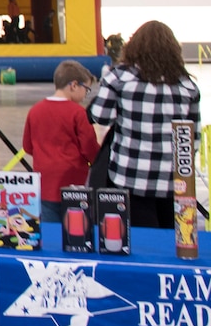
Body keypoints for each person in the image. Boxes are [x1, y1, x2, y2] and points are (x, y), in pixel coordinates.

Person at [85, 21, 201, 229]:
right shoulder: (187, 85)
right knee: (170, 239)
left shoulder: (119, 78)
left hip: (130, 175)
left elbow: (100, 117)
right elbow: (194, 137)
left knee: (139, 238)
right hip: (175, 180)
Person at [22, 62, 98, 225]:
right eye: (86, 89)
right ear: (74, 85)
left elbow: (28, 146)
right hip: (74, 183)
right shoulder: (78, 113)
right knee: (76, 229)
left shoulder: (35, 110)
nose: (86, 94)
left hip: (44, 183)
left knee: (50, 231)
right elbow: (89, 148)